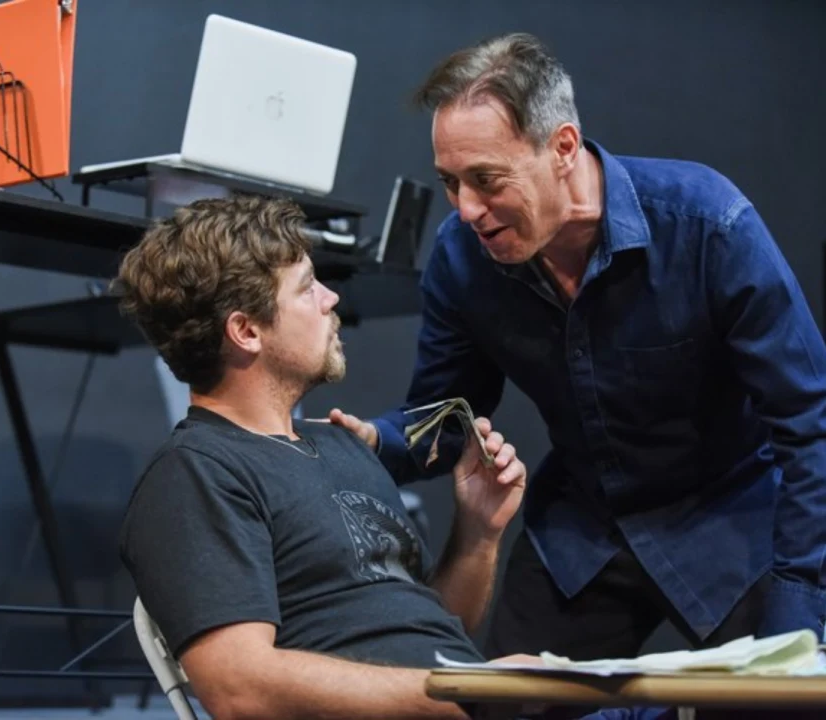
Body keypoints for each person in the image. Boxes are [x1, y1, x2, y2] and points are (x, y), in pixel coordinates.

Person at [330, 32, 826, 663]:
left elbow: (809, 425)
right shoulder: (461, 258)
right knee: (501, 702)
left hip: (730, 521)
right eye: (451, 183)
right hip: (584, 531)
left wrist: (800, 593)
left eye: (487, 179)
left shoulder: (709, 227)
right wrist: (375, 444)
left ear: (562, 147)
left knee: (784, 700)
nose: (467, 210)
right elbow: (445, 418)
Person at [114, 195, 543, 719]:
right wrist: (464, 687)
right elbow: (238, 689)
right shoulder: (195, 475)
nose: (330, 297)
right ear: (246, 331)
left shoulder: (344, 447)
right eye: (307, 287)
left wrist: (478, 532)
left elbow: (429, 631)